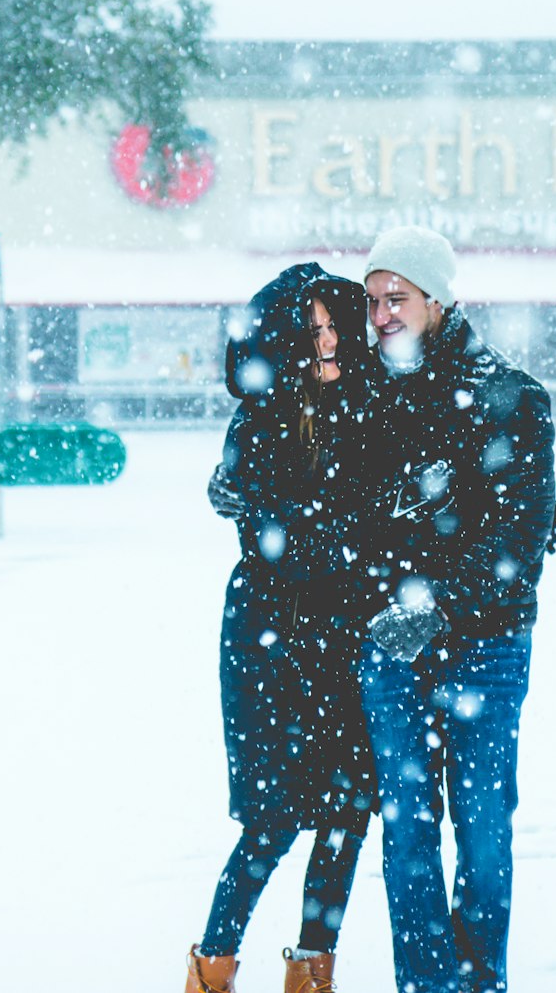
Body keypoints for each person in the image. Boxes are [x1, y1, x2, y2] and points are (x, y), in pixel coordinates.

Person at [357, 226, 556, 993]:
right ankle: (427, 984)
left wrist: (438, 607)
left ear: (436, 299)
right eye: (372, 299)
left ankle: (480, 983)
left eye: (396, 297)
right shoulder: (369, 397)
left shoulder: (510, 395)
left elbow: (518, 535)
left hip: (487, 648)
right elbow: (343, 509)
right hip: (390, 651)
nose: (380, 314)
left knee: (479, 839)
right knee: (407, 837)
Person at [186, 263, 376, 993]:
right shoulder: (261, 420)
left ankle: (310, 977)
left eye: (337, 326)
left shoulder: (371, 405)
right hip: (273, 642)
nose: (328, 342)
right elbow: (283, 543)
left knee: (347, 813)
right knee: (273, 820)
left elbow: (424, 480)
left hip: (349, 641)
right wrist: (360, 540)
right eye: (313, 330)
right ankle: (210, 973)